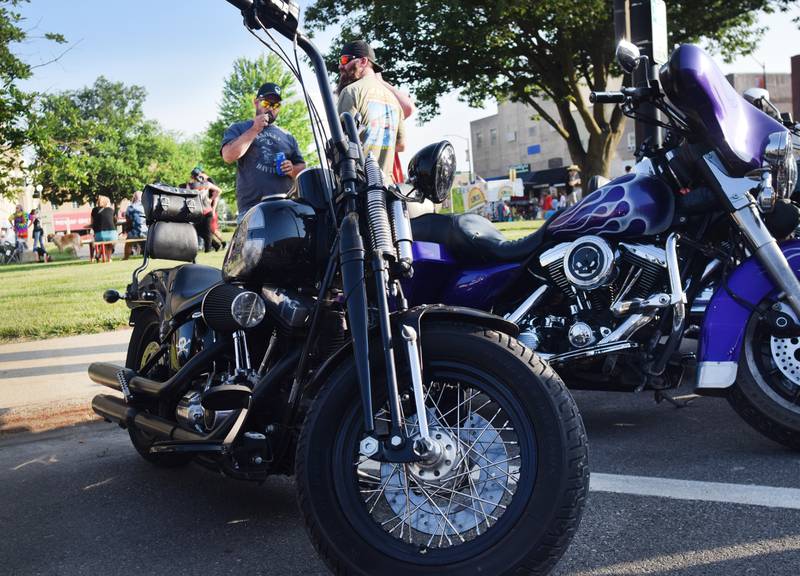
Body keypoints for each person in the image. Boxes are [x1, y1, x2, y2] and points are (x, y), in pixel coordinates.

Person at [220, 82, 306, 220]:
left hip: (286, 208)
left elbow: (302, 169)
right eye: (267, 103)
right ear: (256, 102)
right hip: (251, 210)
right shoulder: (240, 128)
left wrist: (292, 169)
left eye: (276, 105)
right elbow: (228, 156)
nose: (271, 108)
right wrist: (254, 129)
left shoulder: (288, 136)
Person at [336, 39, 406, 182]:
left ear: (362, 61)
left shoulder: (351, 92)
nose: (340, 66)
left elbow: (341, 143)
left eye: (344, 60)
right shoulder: (393, 99)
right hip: (387, 190)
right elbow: (400, 145)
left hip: (359, 189)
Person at [188, 167, 222, 252]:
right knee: (199, 230)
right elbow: (219, 191)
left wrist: (211, 200)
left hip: (206, 211)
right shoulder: (206, 184)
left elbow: (219, 191)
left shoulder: (191, 185)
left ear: (192, 176)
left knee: (207, 231)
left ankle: (208, 249)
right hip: (200, 211)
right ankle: (216, 245)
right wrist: (211, 199)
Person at [91, 195, 117, 261]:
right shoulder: (111, 210)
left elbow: (92, 223)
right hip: (112, 234)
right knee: (109, 242)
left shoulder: (94, 210)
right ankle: (109, 258)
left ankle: (99, 253)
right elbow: (115, 221)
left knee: (104, 241)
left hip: (99, 235)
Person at [123, 190, 148, 260]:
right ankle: (147, 254)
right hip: (146, 231)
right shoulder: (146, 206)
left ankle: (125, 258)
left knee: (128, 244)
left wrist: (127, 230)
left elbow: (128, 221)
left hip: (134, 232)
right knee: (146, 242)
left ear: (134, 198)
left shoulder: (130, 207)